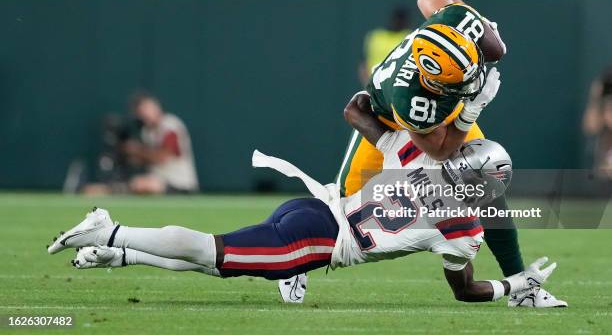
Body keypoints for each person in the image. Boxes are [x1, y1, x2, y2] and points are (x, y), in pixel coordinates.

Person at [47, 118, 559, 306]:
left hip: (312, 208)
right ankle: (112, 230)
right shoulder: (463, 229)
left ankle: (122, 255)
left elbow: (358, 110)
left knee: (216, 261)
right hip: (318, 241)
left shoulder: (414, 156)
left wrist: (408, 105)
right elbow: (465, 291)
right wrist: (519, 282)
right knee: (215, 251)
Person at [334, 0, 565, 307]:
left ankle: (523, 288)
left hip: (443, 107)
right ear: (433, 80)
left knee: (489, 188)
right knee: (342, 205)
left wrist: (468, 13)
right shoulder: (410, 98)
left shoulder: (460, 22)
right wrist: (470, 111)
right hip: (390, 122)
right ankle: (296, 262)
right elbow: (438, 151)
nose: (473, 83)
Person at [359, 8, 411, 85]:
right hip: (375, 86)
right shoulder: (375, 36)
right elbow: (363, 65)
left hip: (393, 88)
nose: (397, 22)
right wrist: (369, 87)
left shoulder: (408, 36)